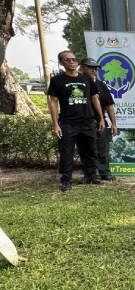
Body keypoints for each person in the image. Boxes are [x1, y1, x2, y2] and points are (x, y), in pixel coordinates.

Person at [47, 51, 105, 191]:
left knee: (90, 150)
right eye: (68, 60)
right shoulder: (57, 80)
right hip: (68, 123)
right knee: (66, 152)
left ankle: (90, 177)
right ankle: (66, 180)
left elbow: (94, 98)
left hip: (88, 122)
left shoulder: (86, 79)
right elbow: (53, 102)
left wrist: (101, 118)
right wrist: (55, 124)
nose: (72, 62)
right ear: (61, 63)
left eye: (74, 59)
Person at [79, 57, 118, 181]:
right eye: (91, 68)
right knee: (86, 150)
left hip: (99, 122)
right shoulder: (77, 84)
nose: (94, 70)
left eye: (96, 68)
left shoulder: (101, 85)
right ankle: (89, 175)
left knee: (102, 149)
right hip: (81, 123)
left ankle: (104, 173)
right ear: (82, 67)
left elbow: (109, 105)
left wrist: (114, 123)